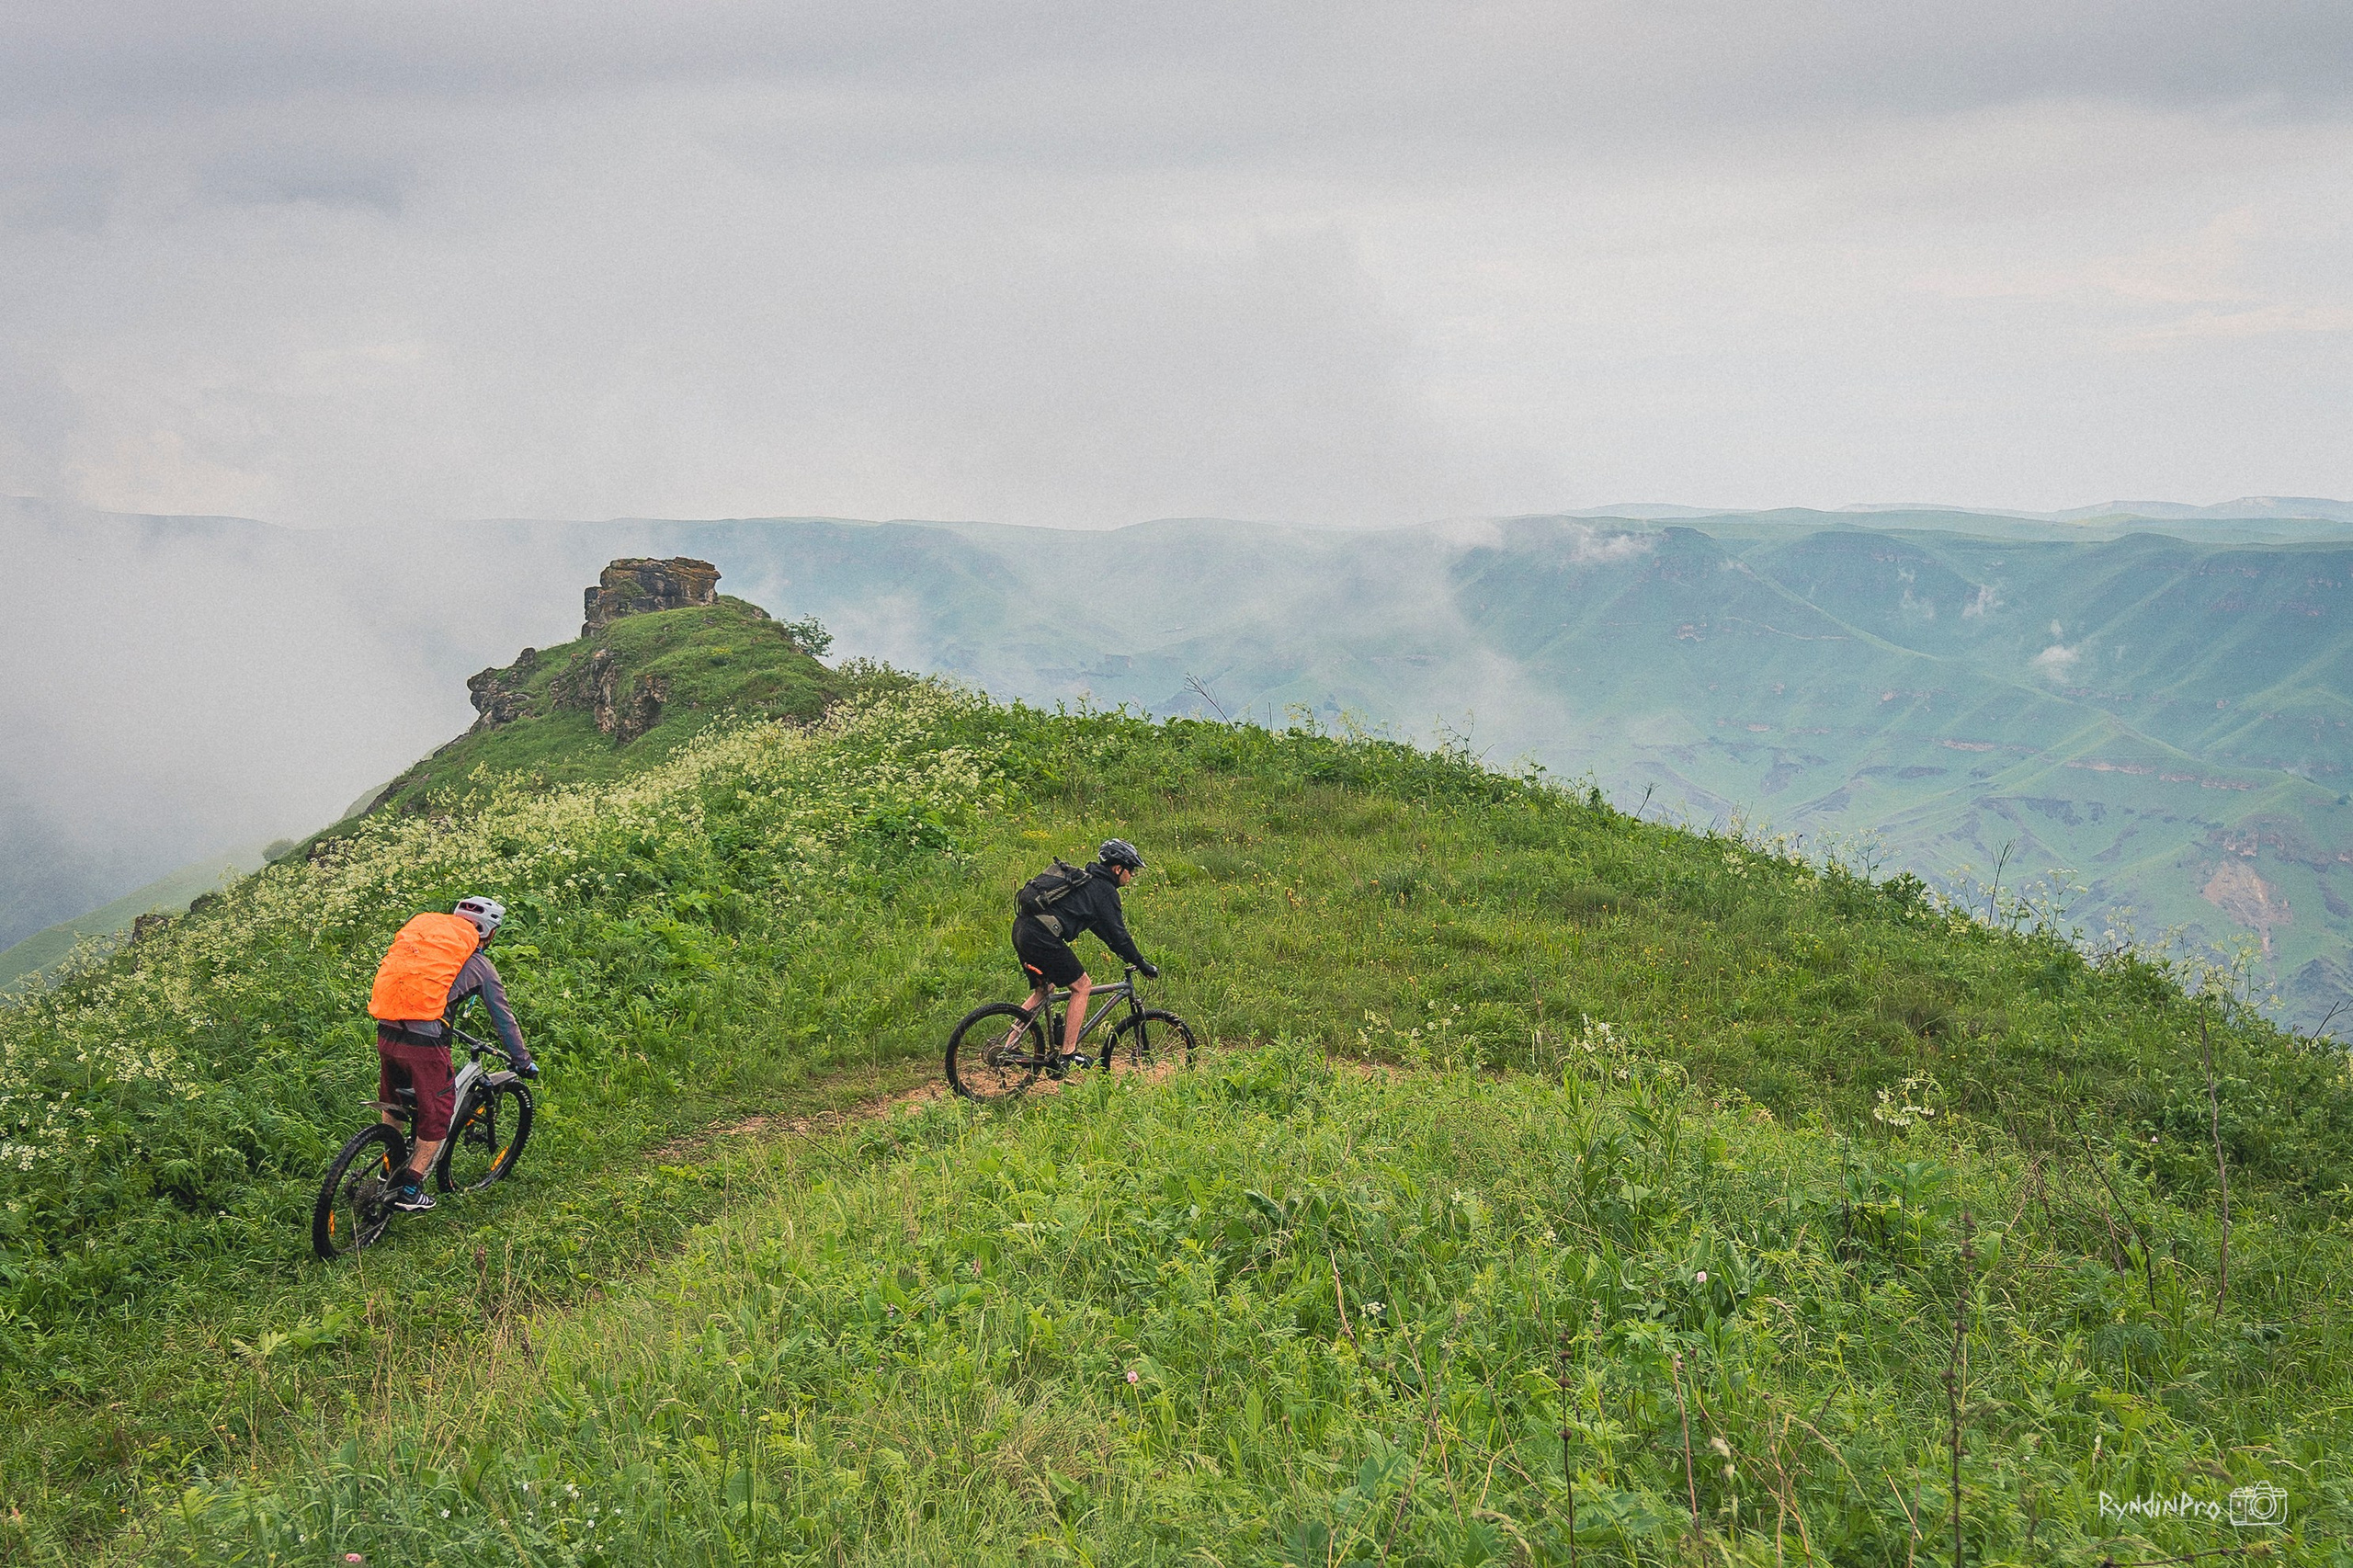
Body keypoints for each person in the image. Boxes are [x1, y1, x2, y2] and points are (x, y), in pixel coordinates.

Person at [366, 895, 537, 1213]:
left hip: (387, 1029)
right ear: (488, 933)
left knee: (394, 1100)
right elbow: (503, 1018)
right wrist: (523, 1061)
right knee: (439, 1113)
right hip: (424, 1042)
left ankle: (388, 1167)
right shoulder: (479, 963)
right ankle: (411, 1187)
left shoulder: (428, 949)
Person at [1013, 839, 1158, 1064]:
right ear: (1117, 868)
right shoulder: (1105, 891)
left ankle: (1009, 1045)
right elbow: (1120, 936)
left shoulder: (1087, 882)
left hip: (1023, 929)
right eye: (1131, 870)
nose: (1132, 876)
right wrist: (1141, 963)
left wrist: (1122, 953)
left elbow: (1103, 930)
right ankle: (1069, 1054)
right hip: (1041, 937)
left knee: (1045, 990)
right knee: (1082, 986)